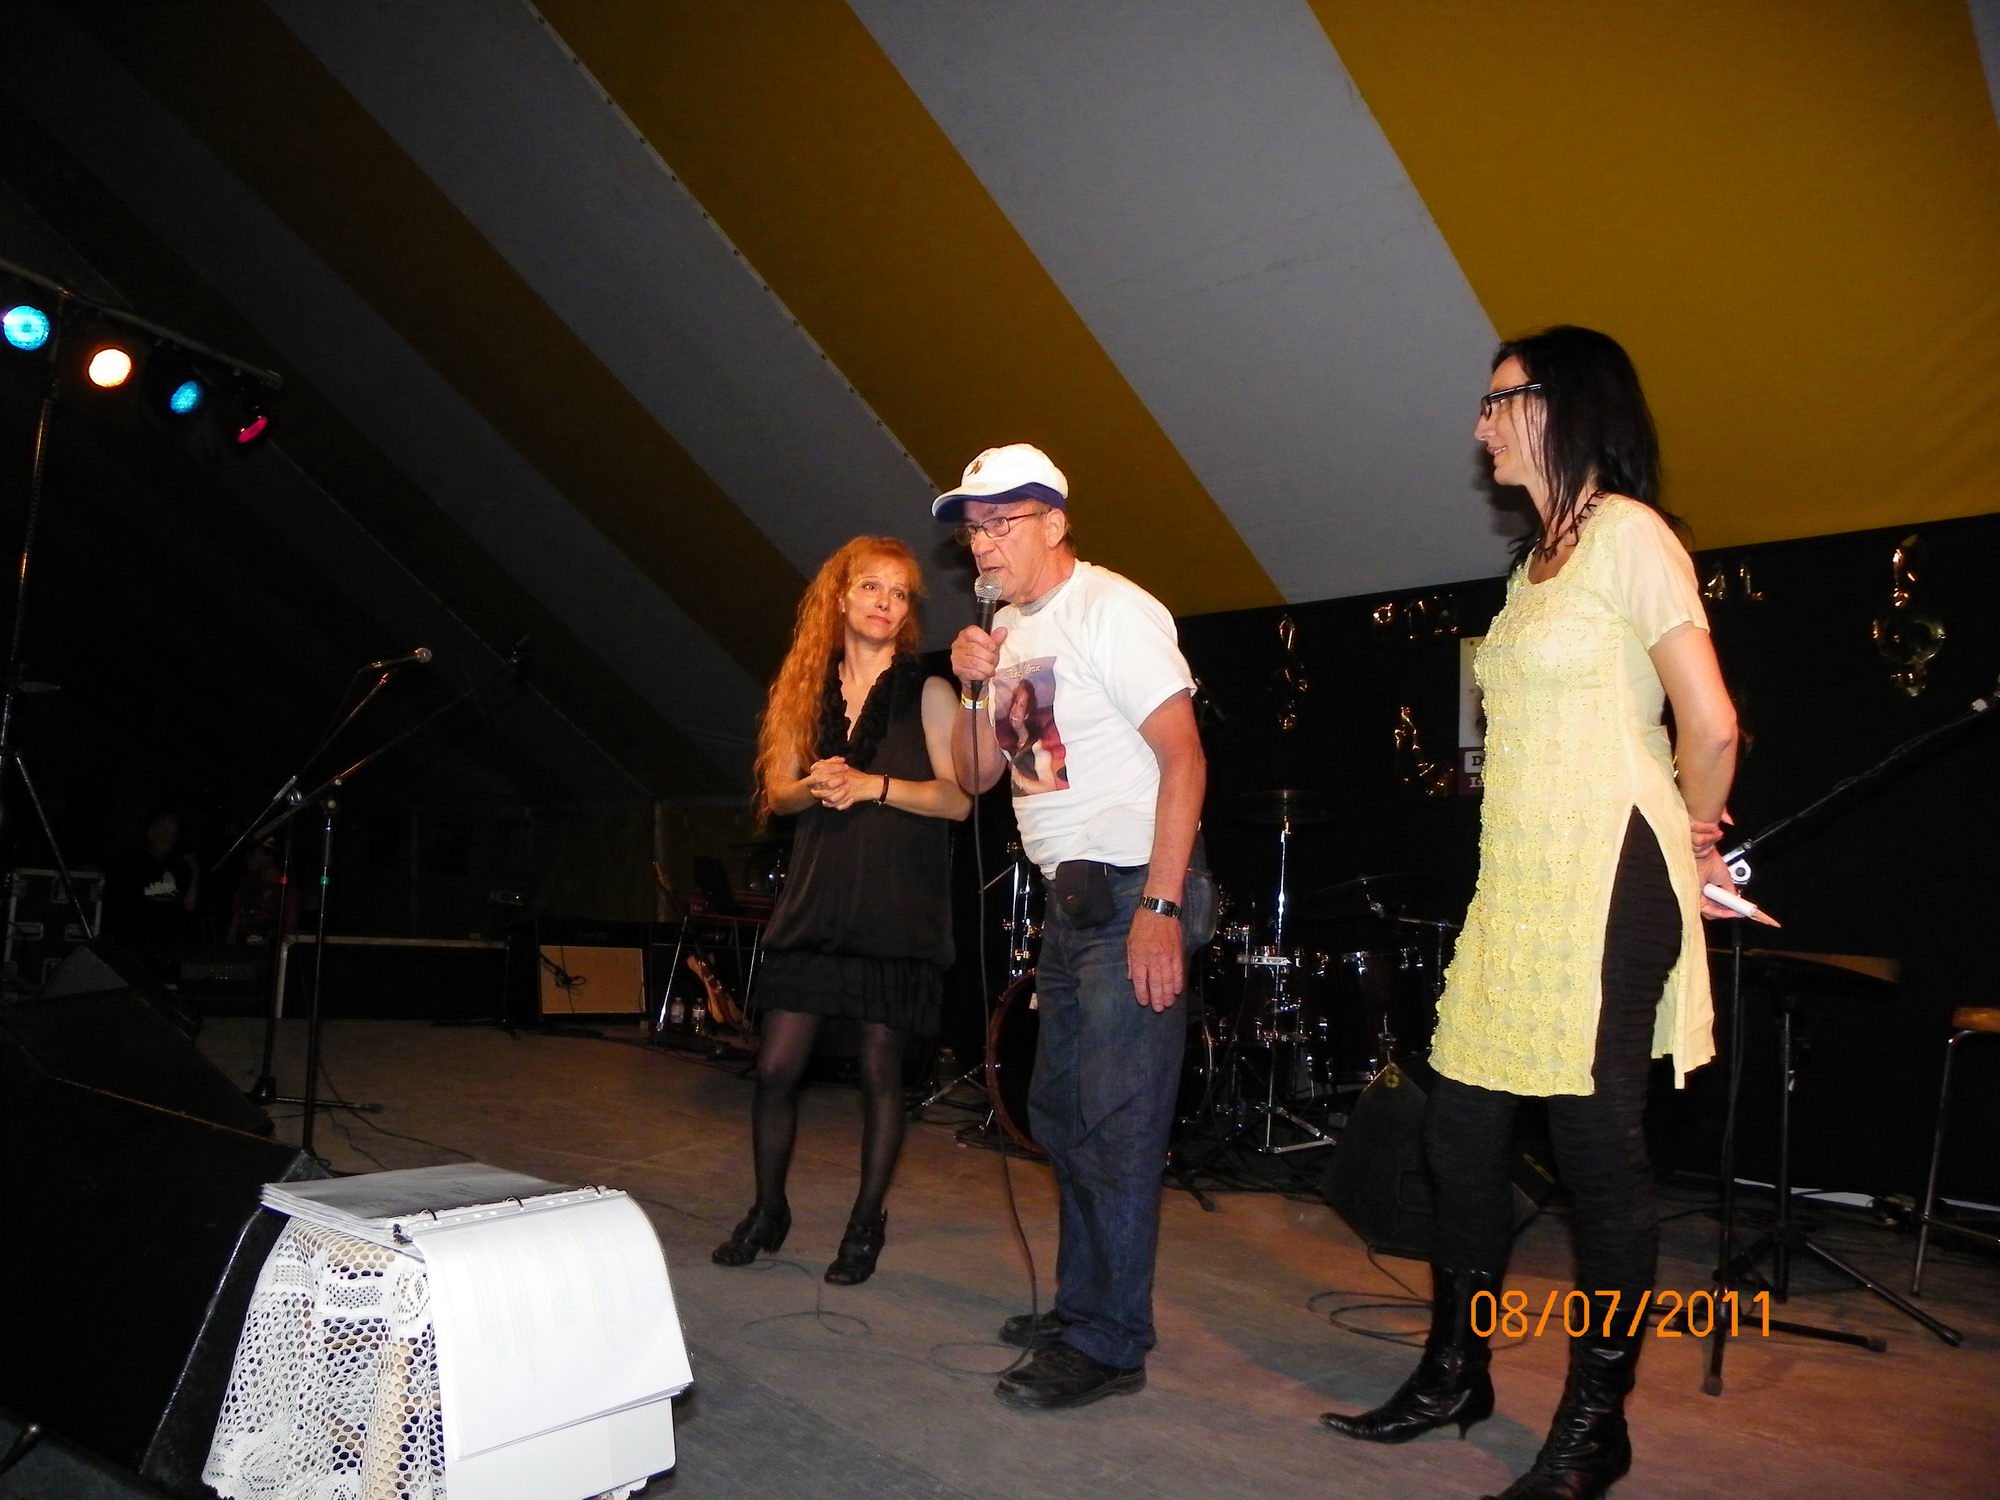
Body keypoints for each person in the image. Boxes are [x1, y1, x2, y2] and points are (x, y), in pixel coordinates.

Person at [1319, 328, 1765, 1499]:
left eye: (1494, 401)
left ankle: (1592, 1424)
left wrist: (1694, 835)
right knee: (1456, 1133)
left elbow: (1710, 724)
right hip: (1516, 882)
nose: (1477, 426)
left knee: (1595, 1150)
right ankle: (1453, 1372)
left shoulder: (1630, 536)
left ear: (1557, 404)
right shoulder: (1529, 569)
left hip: (1609, 871)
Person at [944, 442, 1212, 1411]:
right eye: (972, 528)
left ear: (1054, 522)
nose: (982, 543)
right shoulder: (1006, 631)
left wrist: (1161, 909)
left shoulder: (1111, 609)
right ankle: (1082, 1305)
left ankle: (1108, 1342)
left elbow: (1184, 759)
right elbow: (977, 775)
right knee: (1061, 1114)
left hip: (1137, 889)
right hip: (1071, 904)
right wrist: (972, 686)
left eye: (1000, 522)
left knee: (1116, 1123)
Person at [711, 537, 970, 1284]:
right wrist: (817, 783)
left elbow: (958, 799)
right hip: (816, 902)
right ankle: (768, 1209)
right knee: (774, 1068)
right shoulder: (805, 686)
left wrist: (872, 786)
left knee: (880, 1074)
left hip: (896, 904)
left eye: (900, 593)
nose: (885, 602)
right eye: (872, 587)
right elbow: (778, 793)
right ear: (841, 596)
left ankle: (864, 1224)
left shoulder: (928, 690)